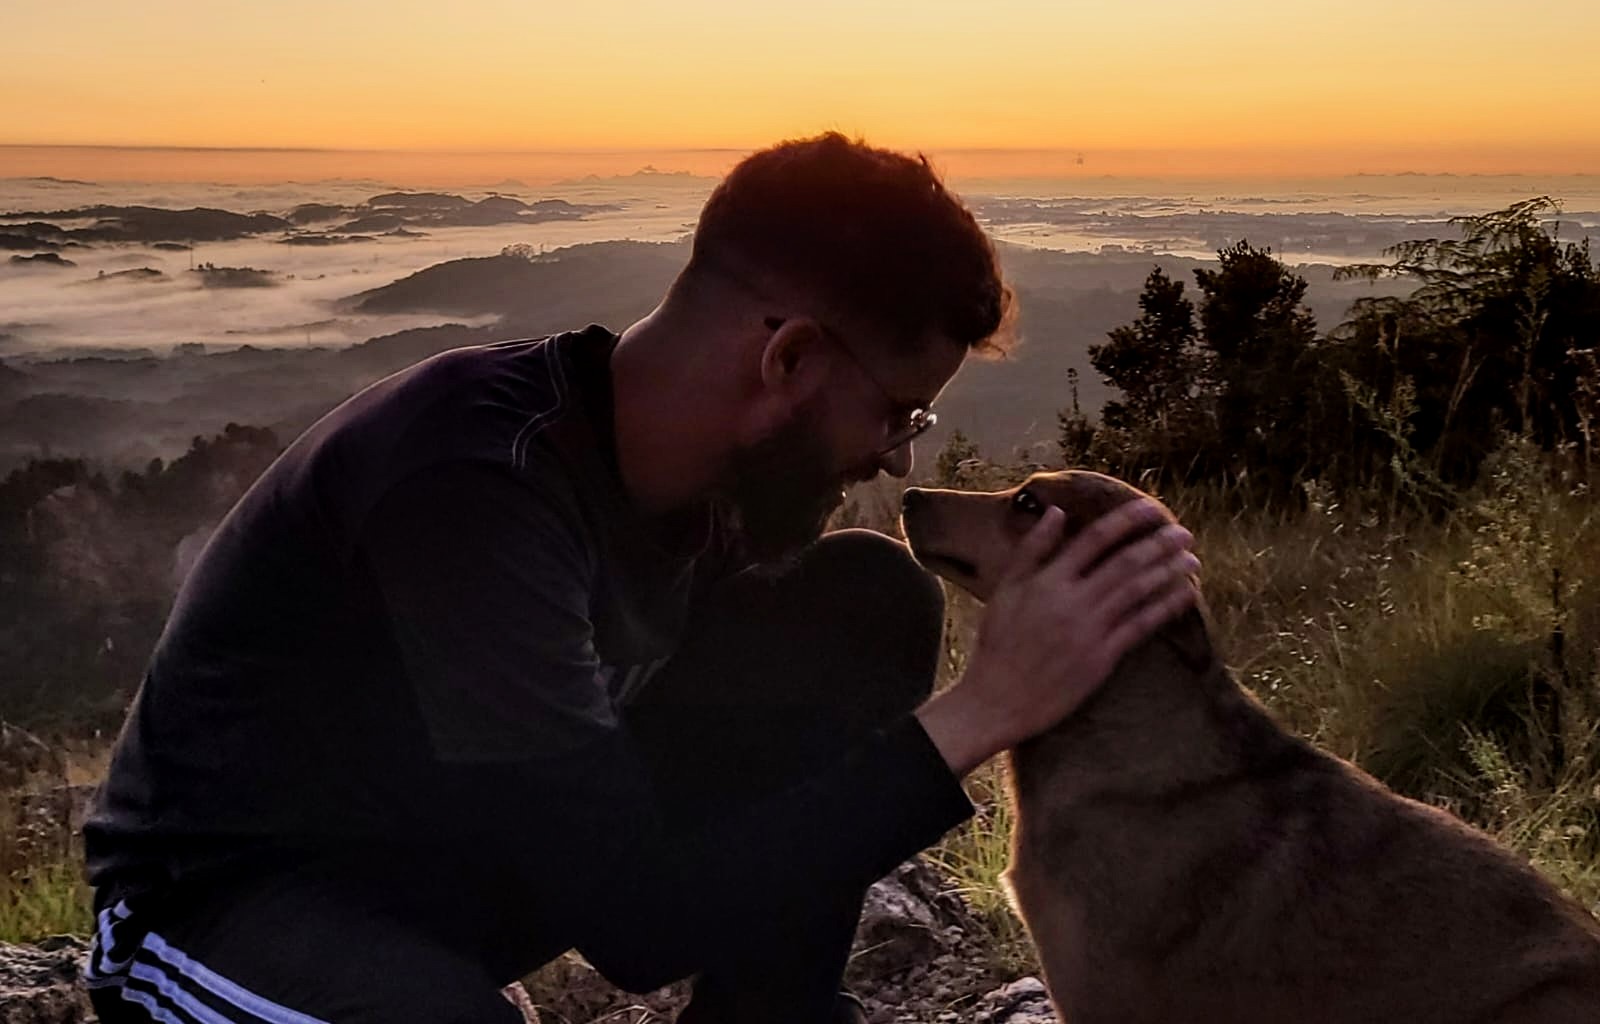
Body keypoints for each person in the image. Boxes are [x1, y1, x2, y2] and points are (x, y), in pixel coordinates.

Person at [83, 133, 1199, 1024]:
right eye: (897, 412)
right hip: (233, 905)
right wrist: (989, 710)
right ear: (791, 360)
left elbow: (676, 834)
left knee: (863, 599)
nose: (902, 454)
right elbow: (637, 926)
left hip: (477, 871)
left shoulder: (699, 485)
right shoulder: (477, 489)